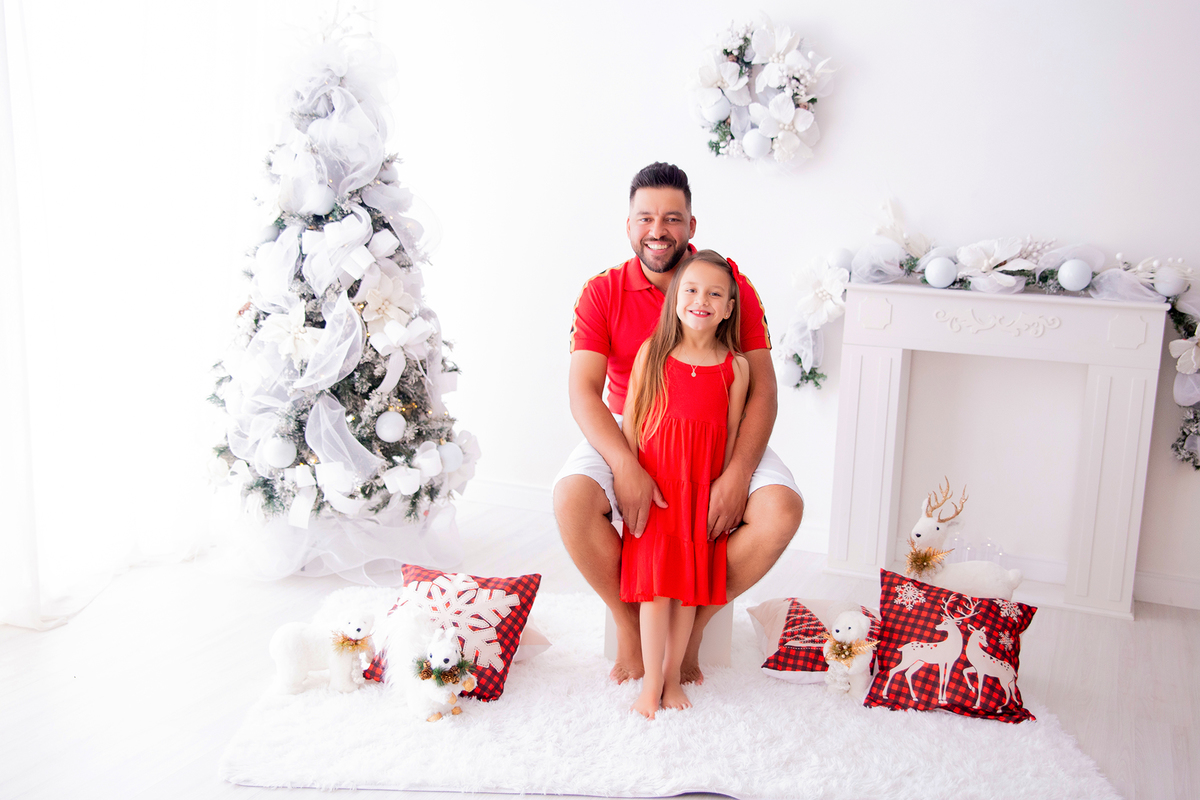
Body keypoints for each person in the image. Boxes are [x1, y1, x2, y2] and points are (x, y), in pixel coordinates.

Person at [553, 162, 804, 685]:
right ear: (628, 226)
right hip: (633, 423)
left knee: (782, 509)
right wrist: (624, 462)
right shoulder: (601, 291)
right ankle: (631, 626)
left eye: (672, 217)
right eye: (645, 218)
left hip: (717, 425)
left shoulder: (728, 284)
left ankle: (692, 630)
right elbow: (583, 392)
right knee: (571, 498)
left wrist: (737, 474)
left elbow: (763, 390)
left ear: (691, 225)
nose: (658, 230)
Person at [620, 250, 749, 718]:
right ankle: (652, 681)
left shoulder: (736, 366)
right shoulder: (653, 352)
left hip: (700, 489)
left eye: (716, 294)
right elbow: (632, 424)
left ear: (729, 307)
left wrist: (722, 485)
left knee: (687, 591)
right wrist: (630, 481)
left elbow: (732, 436)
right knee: (657, 590)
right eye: (692, 290)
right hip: (657, 489)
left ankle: (673, 677)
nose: (702, 300)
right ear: (676, 298)